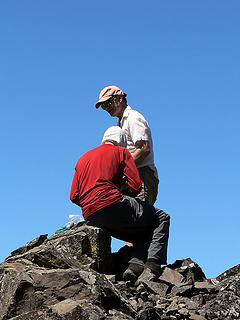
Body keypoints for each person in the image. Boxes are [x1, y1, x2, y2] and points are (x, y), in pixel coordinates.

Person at [70, 126, 170, 283]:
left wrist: (91, 203)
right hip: (112, 202)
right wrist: (123, 195)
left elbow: (74, 196)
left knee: (141, 229)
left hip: (90, 214)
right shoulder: (121, 152)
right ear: (121, 142)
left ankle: (134, 267)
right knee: (160, 217)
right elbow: (136, 185)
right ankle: (153, 267)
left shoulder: (82, 158)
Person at [95, 85, 159, 206]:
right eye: (103, 106)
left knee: (138, 219)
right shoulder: (122, 122)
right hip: (132, 176)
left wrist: (121, 172)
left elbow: (143, 149)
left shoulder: (133, 117)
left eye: (108, 102)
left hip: (142, 176)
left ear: (119, 98)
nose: (107, 107)